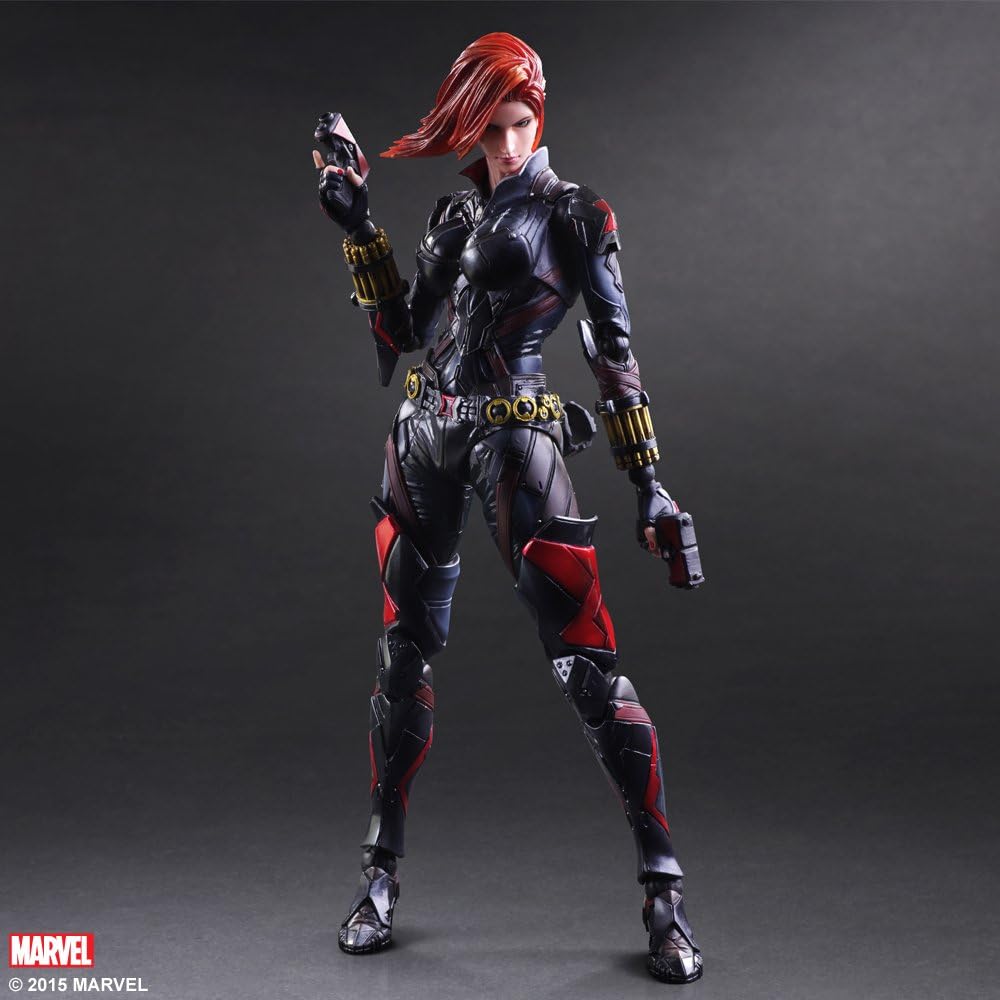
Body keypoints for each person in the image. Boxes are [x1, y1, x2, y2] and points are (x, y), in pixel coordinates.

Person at [311, 32, 704, 985]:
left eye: (521, 123)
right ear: (469, 128)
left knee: (586, 667)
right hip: (424, 438)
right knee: (400, 656)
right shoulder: (453, 212)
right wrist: (358, 225)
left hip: (515, 442)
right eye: (491, 128)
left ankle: (663, 889)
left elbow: (614, 352)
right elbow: (404, 331)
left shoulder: (575, 212)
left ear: (540, 117)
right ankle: (378, 876)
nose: (509, 144)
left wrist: (649, 482)